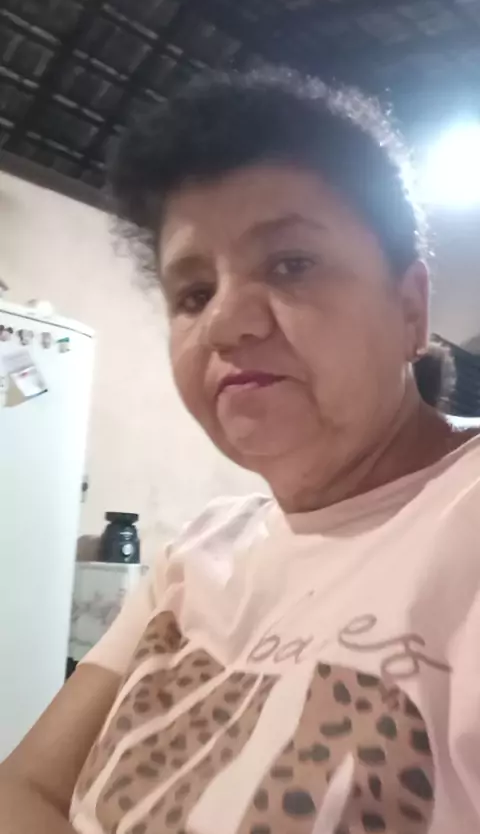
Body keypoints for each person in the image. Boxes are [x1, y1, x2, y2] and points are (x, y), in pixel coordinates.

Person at [1, 68, 479, 834]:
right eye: (192, 294)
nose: (224, 324)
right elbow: (24, 787)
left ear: (410, 309)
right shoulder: (199, 552)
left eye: (291, 264)